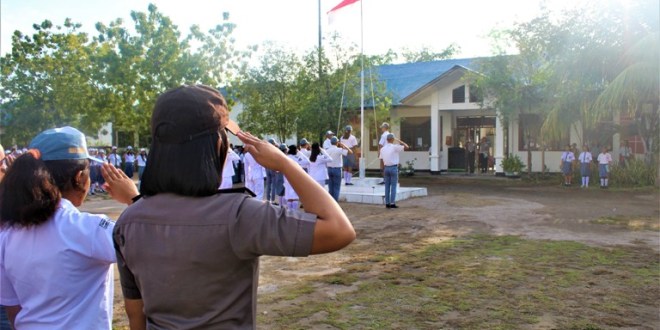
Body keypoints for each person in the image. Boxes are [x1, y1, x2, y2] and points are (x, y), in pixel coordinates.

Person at [112, 85, 355, 329]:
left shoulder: (128, 222)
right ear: (217, 146)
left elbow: (136, 316)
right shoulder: (238, 215)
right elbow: (339, 231)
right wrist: (284, 163)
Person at [0, 126, 138, 330]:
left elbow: (13, 310)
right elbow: (154, 243)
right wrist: (134, 200)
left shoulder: (7, 233)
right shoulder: (89, 229)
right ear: (79, 176)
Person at [380, 133, 409, 209]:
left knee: (387, 186)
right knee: (393, 186)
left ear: (386, 140)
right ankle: (392, 203)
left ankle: (387, 203)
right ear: (392, 139)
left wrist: (382, 170)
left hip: (386, 168)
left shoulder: (382, 149)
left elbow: (382, 160)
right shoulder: (395, 147)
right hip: (393, 168)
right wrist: (399, 141)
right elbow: (407, 147)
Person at [283, 145, 310, 209]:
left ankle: (289, 212)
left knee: (289, 195)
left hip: (287, 177)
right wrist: (300, 153)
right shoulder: (297, 157)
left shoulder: (286, 157)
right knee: (295, 195)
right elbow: (307, 161)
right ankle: (294, 213)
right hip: (295, 177)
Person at [326, 136, 351, 201]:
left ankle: (330, 201)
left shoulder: (327, 150)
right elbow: (350, 152)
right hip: (337, 169)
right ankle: (335, 202)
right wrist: (343, 145)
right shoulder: (339, 150)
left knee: (330, 187)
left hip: (329, 169)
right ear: (337, 142)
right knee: (336, 187)